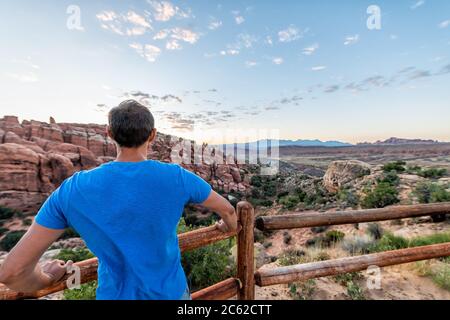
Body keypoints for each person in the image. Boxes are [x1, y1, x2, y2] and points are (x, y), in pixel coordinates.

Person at [0, 100, 238, 300]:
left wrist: (46, 278)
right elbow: (227, 210)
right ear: (152, 135)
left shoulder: (73, 189)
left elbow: (12, 272)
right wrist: (226, 227)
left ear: (110, 134)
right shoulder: (177, 177)